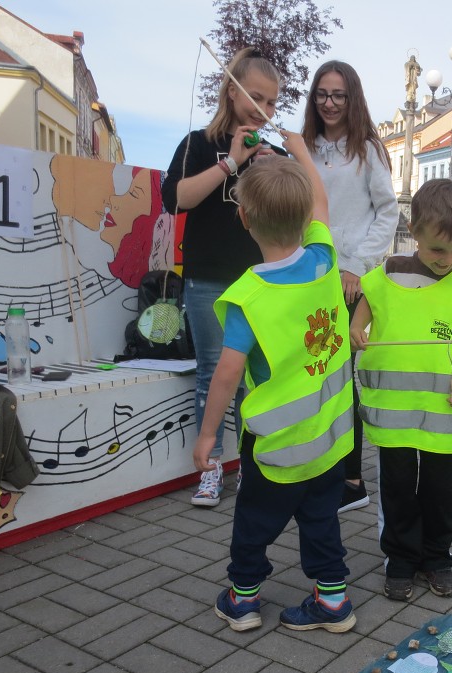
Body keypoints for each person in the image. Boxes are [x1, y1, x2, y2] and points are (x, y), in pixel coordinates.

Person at [193, 140, 357, 635]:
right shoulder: (325, 259)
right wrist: (301, 150)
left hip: (276, 445)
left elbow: (225, 376)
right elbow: (322, 199)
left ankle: (242, 599)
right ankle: (332, 602)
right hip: (329, 439)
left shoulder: (249, 297)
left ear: (243, 219)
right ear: (306, 216)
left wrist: (207, 438)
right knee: (322, 520)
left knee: (254, 524)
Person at [349, 179, 452, 602]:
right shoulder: (387, 273)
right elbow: (365, 307)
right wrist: (356, 328)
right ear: (414, 231)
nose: (448, 260)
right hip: (393, 413)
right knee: (396, 489)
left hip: (443, 412)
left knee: (439, 490)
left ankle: (437, 559)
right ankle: (401, 561)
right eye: (437, 250)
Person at [163, 48, 283, 507]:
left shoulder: (271, 153)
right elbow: (175, 200)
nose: (264, 110)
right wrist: (230, 163)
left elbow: (291, 214)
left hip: (261, 282)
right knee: (213, 375)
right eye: (256, 97)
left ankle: (255, 467)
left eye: (272, 103)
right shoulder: (197, 142)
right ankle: (210, 470)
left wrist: (276, 171)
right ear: (232, 92)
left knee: (258, 376)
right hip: (209, 276)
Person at [302, 60, 399, 516]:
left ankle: (353, 480)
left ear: (353, 97)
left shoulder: (368, 150)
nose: (330, 103)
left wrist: (357, 266)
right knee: (314, 375)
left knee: (341, 381)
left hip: (347, 281)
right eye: (322, 93)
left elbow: (388, 212)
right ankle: (320, 466)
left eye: (339, 94)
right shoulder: (304, 147)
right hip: (308, 276)